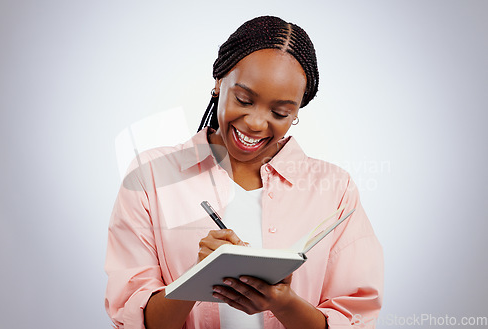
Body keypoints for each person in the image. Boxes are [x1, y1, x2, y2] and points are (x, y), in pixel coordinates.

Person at [105, 16, 384, 329]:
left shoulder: (335, 190)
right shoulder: (151, 178)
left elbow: (356, 320)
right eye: (243, 99)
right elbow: (133, 320)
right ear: (219, 82)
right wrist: (198, 276)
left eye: (280, 112)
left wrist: (283, 302)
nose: (255, 123)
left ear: (296, 111)